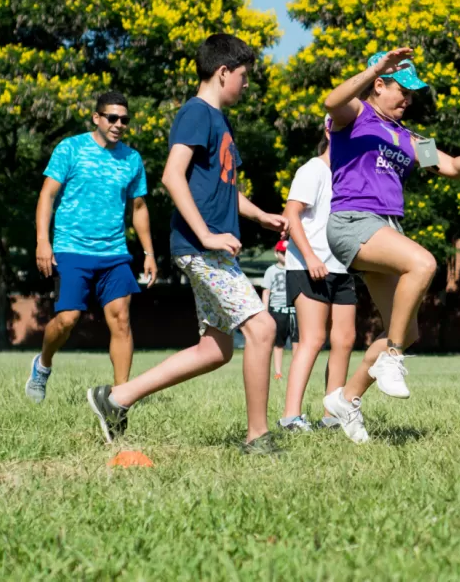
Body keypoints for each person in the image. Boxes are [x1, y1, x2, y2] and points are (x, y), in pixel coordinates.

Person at [86, 34, 288, 455]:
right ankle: (257, 438)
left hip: (208, 247)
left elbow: (222, 188)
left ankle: (116, 398)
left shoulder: (221, 121)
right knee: (263, 326)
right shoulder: (197, 113)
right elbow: (172, 176)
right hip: (202, 248)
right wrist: (208, 235)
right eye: (244, 76)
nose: (247, 84)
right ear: (223, 72)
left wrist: (260, 215)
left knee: (215, 349)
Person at [321, 47, 460, 444]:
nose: (408, 99)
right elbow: (330, 100)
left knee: (407, 329)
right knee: (423, 263)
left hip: (385, 228)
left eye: (412, 93)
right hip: (352, 220)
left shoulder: (409, 137)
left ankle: (347, 399)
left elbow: (454, 167)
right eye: (401, 90)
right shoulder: (355, 115)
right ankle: (391, 359)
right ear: (379, 84)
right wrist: (375, 65)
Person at [26, 92, 157, 402]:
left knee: (121, 318)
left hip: (114, 254)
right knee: (68, 318)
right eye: (112, 117)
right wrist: (43, 242)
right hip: (71, 248)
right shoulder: (70, 149)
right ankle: (42, 365)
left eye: (124, 119)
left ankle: (120, 397)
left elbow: (138, 208)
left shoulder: (132, 159)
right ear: (97, 118)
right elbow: (47, 195)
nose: (119, 124)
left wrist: (149, 253)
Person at [278, 124, 358, 432]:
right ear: (327, 131)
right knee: (312, 340)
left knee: (345, 340)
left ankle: (332, 416)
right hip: (308, 266)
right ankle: (290, 417)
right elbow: (291, 213)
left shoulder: (349, 175)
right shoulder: (312, 170)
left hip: (342, 268)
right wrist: (310, 257)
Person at [261, 240, 298, 381]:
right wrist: (265, 312)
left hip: (295, 310)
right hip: (277, 311)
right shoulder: (271, 271)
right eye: (283, 252)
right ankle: (278, 373)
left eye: (288, 252)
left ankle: (296, 373)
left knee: (297, 343)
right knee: (279, 344)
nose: (285, 255)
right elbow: (266, 292)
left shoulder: (296, 269)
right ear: (277, 254)